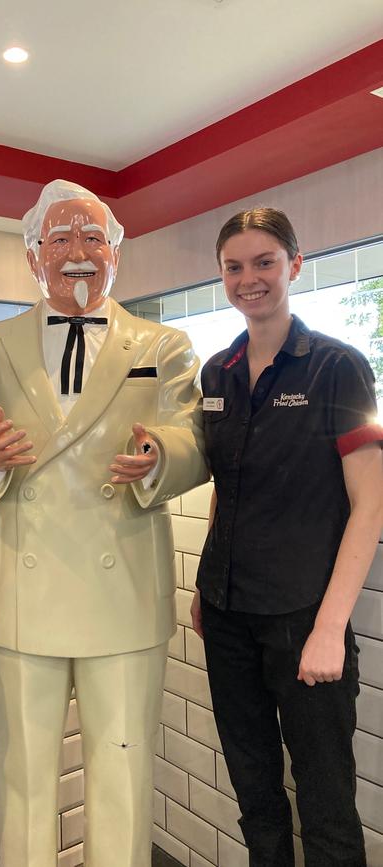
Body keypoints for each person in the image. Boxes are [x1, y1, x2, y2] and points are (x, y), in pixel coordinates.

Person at [0, 179, 208, 867]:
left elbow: (194, 438)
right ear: (33, 256)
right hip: (25, 592)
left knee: (122, 778)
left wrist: (159, 457)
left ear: (116, 253)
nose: (78, 252)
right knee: (25, 779)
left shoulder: (165, 345)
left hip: (121, 588)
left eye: (93, 236)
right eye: (60, 237)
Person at [191, 207, 383, 867]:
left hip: (304, 619)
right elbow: (226, 482)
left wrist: (332, 626)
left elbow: (370, 503)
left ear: (294, 265)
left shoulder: (339, 367)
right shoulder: (215, 372)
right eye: (234, 267)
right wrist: (208, 584)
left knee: (327, 805)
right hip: (225, 614)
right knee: (256, 794)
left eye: (264, 262)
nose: (250, 279)